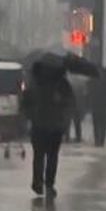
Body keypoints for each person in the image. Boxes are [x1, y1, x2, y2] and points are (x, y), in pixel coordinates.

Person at [21, 60, 75, 197]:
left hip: (39, 125)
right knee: (52, 156)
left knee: (39, 155)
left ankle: (38, 183)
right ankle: (49, 185)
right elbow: (70, 102)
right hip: (55, 126)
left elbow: (24, 104)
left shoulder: (34, 83)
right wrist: (64, 118)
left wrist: (30, 117)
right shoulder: (62, 84)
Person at [88, 75, 106, 147]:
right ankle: (101, 141)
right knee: (103, 124)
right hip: (104, 105)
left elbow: (89, 92)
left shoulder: (92, 81)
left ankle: (97, 141)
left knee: (96, 124)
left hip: (95, 105)